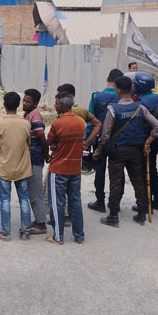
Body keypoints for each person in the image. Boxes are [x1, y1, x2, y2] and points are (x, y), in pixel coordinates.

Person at [94, 76, 158, 227]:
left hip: (117, 151)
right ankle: (142, 214)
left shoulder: (113, 109)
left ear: (118, 90)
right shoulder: (140, 108)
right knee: (138, 180)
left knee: (116, 182)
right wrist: (148, 141)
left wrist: (99, 150)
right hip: (136, 151)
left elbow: (105, 135)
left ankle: (113, 215)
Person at [46, 92, 87, 244]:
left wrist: (55, 146)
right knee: (75, 201)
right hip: (75, 167)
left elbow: (49, 141)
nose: (54, 105)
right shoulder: (81, 122)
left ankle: (58, 236)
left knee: (57, 202)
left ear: (63, 105)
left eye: (56, 103)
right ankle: (79, 235)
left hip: (59, 168)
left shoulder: (58, 123)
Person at [0, 92, 33, 241]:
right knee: (24, 199)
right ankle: (26, 231)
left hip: (5, 168)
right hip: (22, 168)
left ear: (4, 105)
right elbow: (28, 143)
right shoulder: (26, 124)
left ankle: (6, 232)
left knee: (5, 200)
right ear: (18, 105)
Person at [86, 69, 122, 212]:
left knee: (99, 170)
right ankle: (116, 202)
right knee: (118, 172)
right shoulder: (123, 98)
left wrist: (87, 140)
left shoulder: (96, 97)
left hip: (99, 139)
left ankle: (100, 201)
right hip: (118, 140)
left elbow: (90, 122)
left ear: (108, 78)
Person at [135, 73, 158, 211]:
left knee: (142, 170)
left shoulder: (139, 102)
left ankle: (145, 202)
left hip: (143, 138)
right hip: (156, 137)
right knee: (152, 167)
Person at [21, 89, 49, 233]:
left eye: (27, 101)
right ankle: (38, 219)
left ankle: (41, 224)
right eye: (24, 100)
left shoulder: (35, 117)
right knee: (32, 191)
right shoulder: (29, 115)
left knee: (35, 192)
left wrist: (46, 155)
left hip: (35, 159)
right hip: (31, 158)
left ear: (36, 103)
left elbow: (42, 139)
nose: (24, 103)